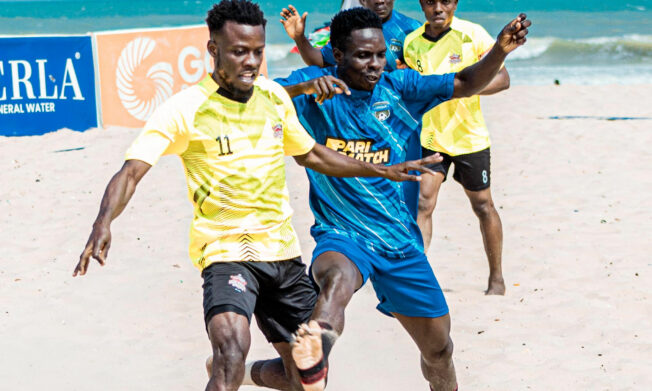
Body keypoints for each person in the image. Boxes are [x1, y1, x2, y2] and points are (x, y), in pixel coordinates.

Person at [71, 2, 442, 391]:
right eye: (239, 51)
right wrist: (103, 222)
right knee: (232, 353)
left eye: (258, 51)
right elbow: (131, 171)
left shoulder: (273, 97)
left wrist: (383, 170)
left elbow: (312, 154)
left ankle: (250, 375)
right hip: (226, 251)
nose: (251, 62)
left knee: (308, 379)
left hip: (282, 253)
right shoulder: (185, 109)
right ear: (213, 50)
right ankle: (233, 370)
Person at [232, 7, 530, 391]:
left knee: (439, 350)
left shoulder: (401, 88)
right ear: (337, 55)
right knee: (336, 280)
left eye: (378, 55)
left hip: (400, 242)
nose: (374, 65)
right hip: (342, 234)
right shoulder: (314, 88)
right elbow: (250, 97)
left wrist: (500, 52)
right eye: (362, 56)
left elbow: (466, 81)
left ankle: (249, 372)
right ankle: (313, 352)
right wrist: (301, 90)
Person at [403, 0, 509, 295]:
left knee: (483, 206)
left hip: (468, 137)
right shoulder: (412, 43)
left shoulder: (473, 35)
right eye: (430, 1)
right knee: (423, 203)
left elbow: (503, 79)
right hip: (430, 136)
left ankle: (496, 278)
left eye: (445, 1)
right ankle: (418, 279)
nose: (438, 7)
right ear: (422, 4)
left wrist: (460, 88)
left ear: (455, 3)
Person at [280, 0, 421, 72]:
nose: (380, 1)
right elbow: (321, 60)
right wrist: (299, 38)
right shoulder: (348, 28)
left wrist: (412, 73)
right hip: (357, 109)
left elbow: (431, 72)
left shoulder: (413, 29)